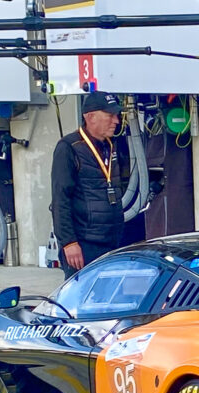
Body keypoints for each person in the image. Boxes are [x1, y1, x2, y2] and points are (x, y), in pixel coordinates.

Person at [51, 92, 126, 278]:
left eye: (116, 115)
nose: (116, 121)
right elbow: (60, 199)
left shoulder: (113, 145)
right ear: (90, 116)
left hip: (112, 240)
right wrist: (69, 242)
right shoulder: (69, 147)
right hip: (84, 243)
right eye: (110, 115)